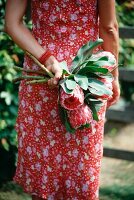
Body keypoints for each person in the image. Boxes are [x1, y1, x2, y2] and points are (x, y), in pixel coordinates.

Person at [4, 0, 120, 199]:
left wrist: (49, 60)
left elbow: (12, 23)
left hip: (41, 78)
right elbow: (108, 28)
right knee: (82, 173)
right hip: (87, 81)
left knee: (44, 178)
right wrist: (113, 77)